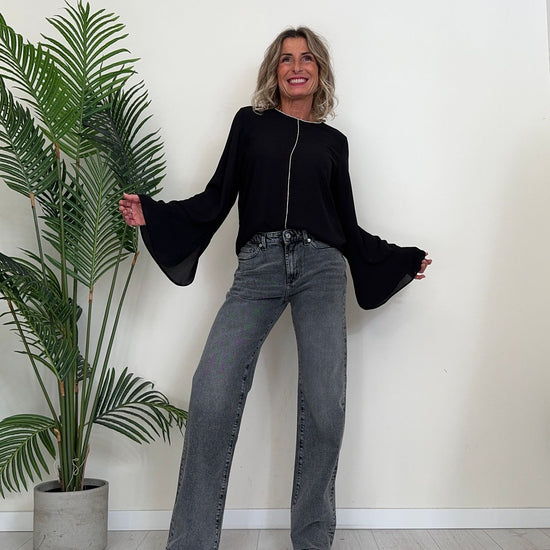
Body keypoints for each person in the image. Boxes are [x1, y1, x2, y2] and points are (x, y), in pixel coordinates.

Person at [119, 26, 431, 550]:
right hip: (259, 265)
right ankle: (191, 543)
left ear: (320, 72)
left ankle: (312, 540)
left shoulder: (334, 143)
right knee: (212, 392)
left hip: (321, 268)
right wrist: (155, 212)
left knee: (325, 406)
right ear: (275, 70)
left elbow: (348, 225)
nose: (296, 66)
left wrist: (397, 259)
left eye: (306, 58)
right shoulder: (250, 124)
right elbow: (216, 196)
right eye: (286, 59)